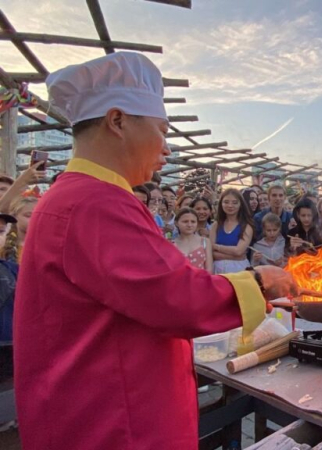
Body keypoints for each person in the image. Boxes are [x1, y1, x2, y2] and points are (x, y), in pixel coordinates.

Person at [14, 52, 297, 450]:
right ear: (117, 121)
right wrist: (260, 281)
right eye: (161, 131)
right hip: (116, 425)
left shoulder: (76, 197)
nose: (165, 149)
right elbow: (175, 296)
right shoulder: (94, 202)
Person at [211, 189, 254, 274]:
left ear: (240, 205)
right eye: (226, 202)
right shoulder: (215, 225)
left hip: (239, 270)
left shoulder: (246, 226)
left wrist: (216, 247)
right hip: (218, 270)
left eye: (234, 203)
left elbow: (238, 251)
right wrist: (235, 256)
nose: (230, 206)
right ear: (221, 204)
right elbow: (210, 252)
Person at [173, 208, 213, 272]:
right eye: (185, 221)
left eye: (193, 222)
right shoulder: (171, 244)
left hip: (201, 280)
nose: (189, 225)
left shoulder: (205, 242)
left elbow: (209, 269)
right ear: (176, 223)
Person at [0, 197, 38, 264]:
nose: (35, 220)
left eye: (38, 216)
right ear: (14, 216)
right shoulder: (3, 244)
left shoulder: (47, 246)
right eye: (28, 215)